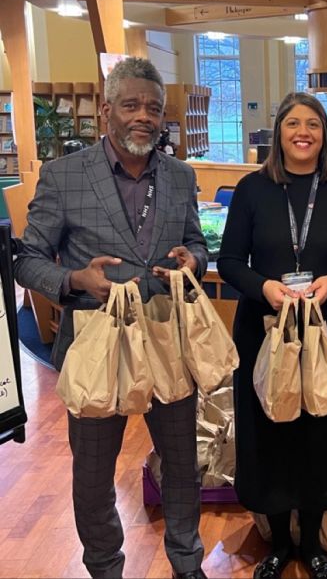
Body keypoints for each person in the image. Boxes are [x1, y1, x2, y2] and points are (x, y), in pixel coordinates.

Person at [14, 56, 208, 579]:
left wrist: (195, 258)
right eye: (131, 105)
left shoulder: (181, 176)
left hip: (167, 339)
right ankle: (104, 567)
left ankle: (187, 564)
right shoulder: (64, 176)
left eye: (153, 107)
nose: (143, 115)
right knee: (94, 473)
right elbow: (26, 258)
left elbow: (194, 239)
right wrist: (75, 280)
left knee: (182, 465)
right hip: (96, 341)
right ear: (106, 112)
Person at [217, 92, 327, 579]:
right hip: (262, 331)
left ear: (324, 134)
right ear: (278, 132)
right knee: (270, 430)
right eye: (292, 123)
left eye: (312, 124)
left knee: (319, 431)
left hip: (324, 332)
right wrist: (264, 287)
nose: (302, 132)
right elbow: (227, 263)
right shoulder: (251, 190)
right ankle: (280, 542)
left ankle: (313, 543)